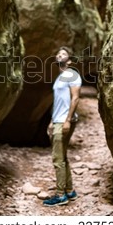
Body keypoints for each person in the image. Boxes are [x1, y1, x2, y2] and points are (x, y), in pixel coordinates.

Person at [43, 46, 82, 207]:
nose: (59, 54)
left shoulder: (72, 75)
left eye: (64, 54)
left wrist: (67, 120)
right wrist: (52, 121)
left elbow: (75, 99)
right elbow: (58, 102)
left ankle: (60, 195)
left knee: (57, 158)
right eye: (58, 53)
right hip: (57, 120)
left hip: (65, 121)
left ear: (70, 60)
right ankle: (70, 190)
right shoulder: (60, 77)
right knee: (63, 156)